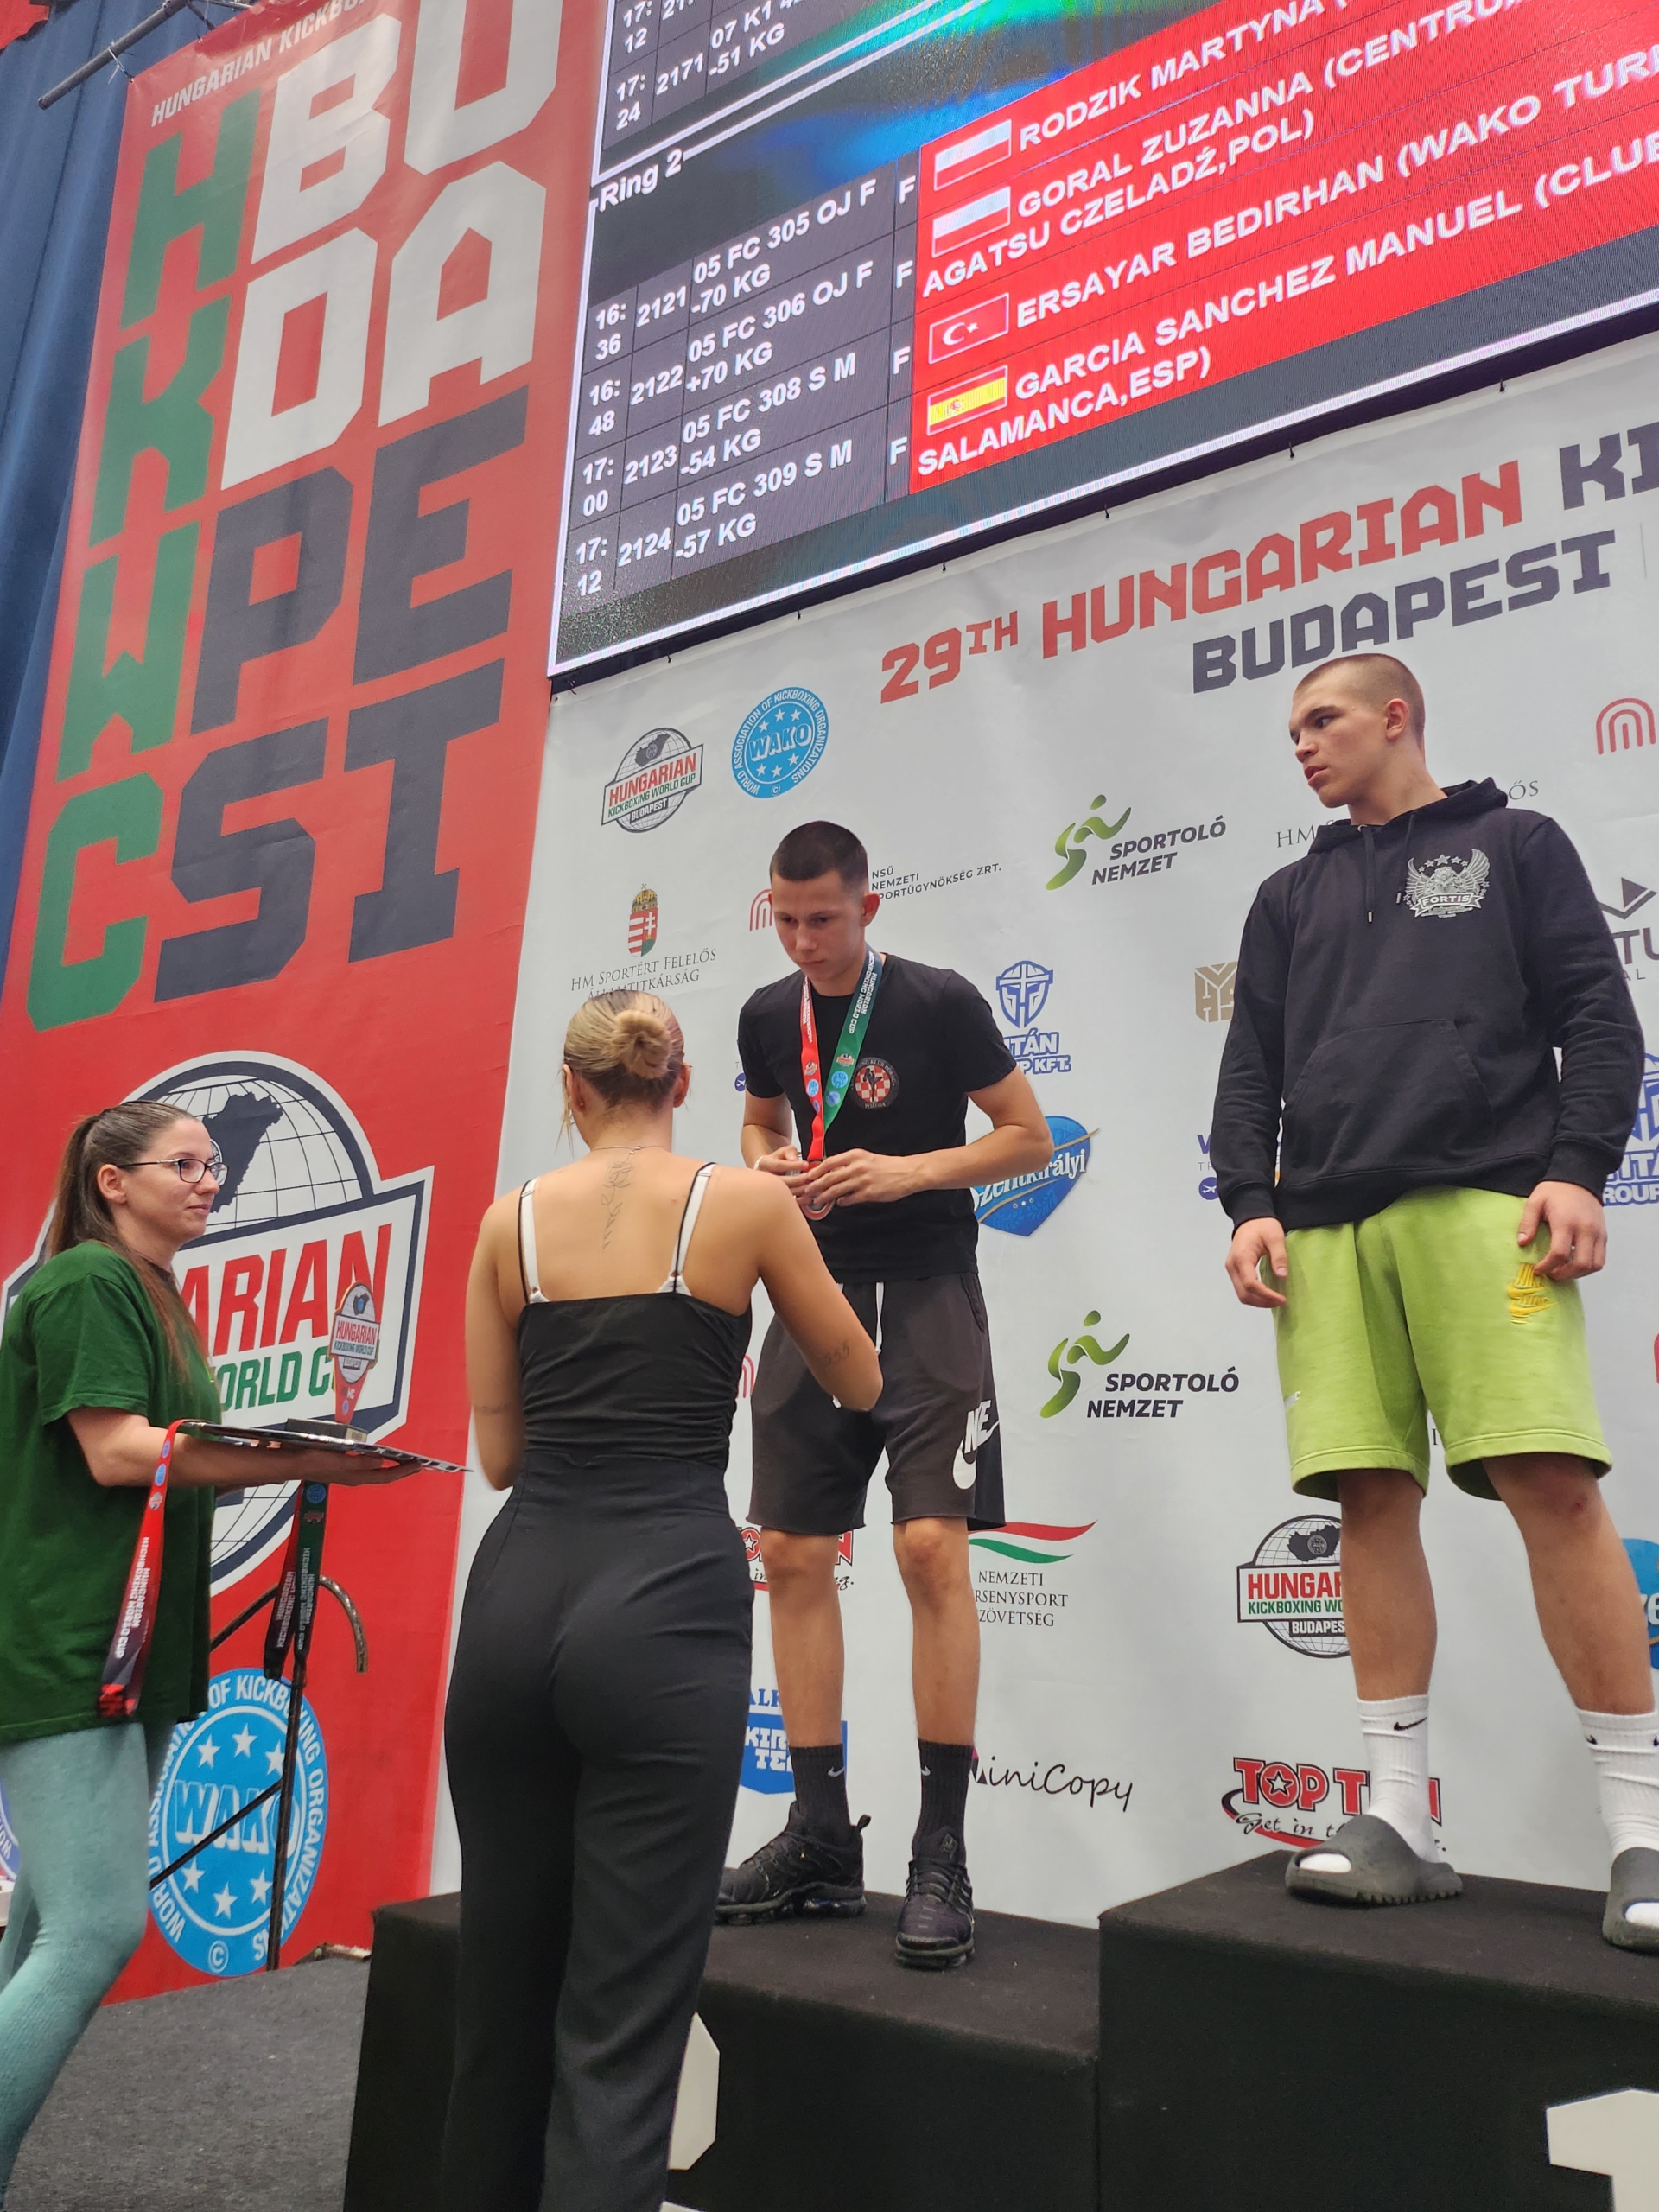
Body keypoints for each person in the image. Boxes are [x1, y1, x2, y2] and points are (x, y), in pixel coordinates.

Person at [1210, 652, 1655, 1944]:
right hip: (1326, 1225)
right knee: (1367, 1499)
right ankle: (1400, 1814)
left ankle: (1642, 1833)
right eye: (1292, 730)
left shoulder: (1517, 844)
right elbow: (1252, 1066)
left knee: (1552, 1487)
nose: (1303, 744)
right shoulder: (1288, 895)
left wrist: (1579, 1168)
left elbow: (1599, 1018)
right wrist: (1250, 1200)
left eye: (1324, 719)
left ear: (1396, 717)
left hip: (1485, 1201)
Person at [441, 989, 878, 2212]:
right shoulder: (745, 1203)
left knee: (500, 1997)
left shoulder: (507, 1222)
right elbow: (857, 1374)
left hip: (517, 1596)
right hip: (665, 1602)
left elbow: (500, 1459)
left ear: (572, 1089)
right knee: (624, 2017)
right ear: (682, 1083)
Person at [0, 1103, 404, 2202]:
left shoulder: (150, 1293)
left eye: (212, 1163)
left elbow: (163, 1453)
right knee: (94, 1931)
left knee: (43, 1928)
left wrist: (294, 1454)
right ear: (112, 1180)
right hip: (68, 1643)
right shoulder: (88, 1281)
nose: (209, 1179)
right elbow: (118, 1451)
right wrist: (299, 1461)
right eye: (184, 1162)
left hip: (123, 1649)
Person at [720, 820, 1052, 1970]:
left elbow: (1029, 1138)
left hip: (926, 1291)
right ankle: (819, 1834)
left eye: (824, 918)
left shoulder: (938, 1000)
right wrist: (764, 1161)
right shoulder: (768, 1014)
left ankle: (940, 1849)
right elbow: (761, 1121)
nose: (803, 941)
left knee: (927, 1549)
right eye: (785, 919)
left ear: (868, 906)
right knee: (791, 1551)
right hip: (812, 1291)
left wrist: (911, 1169)